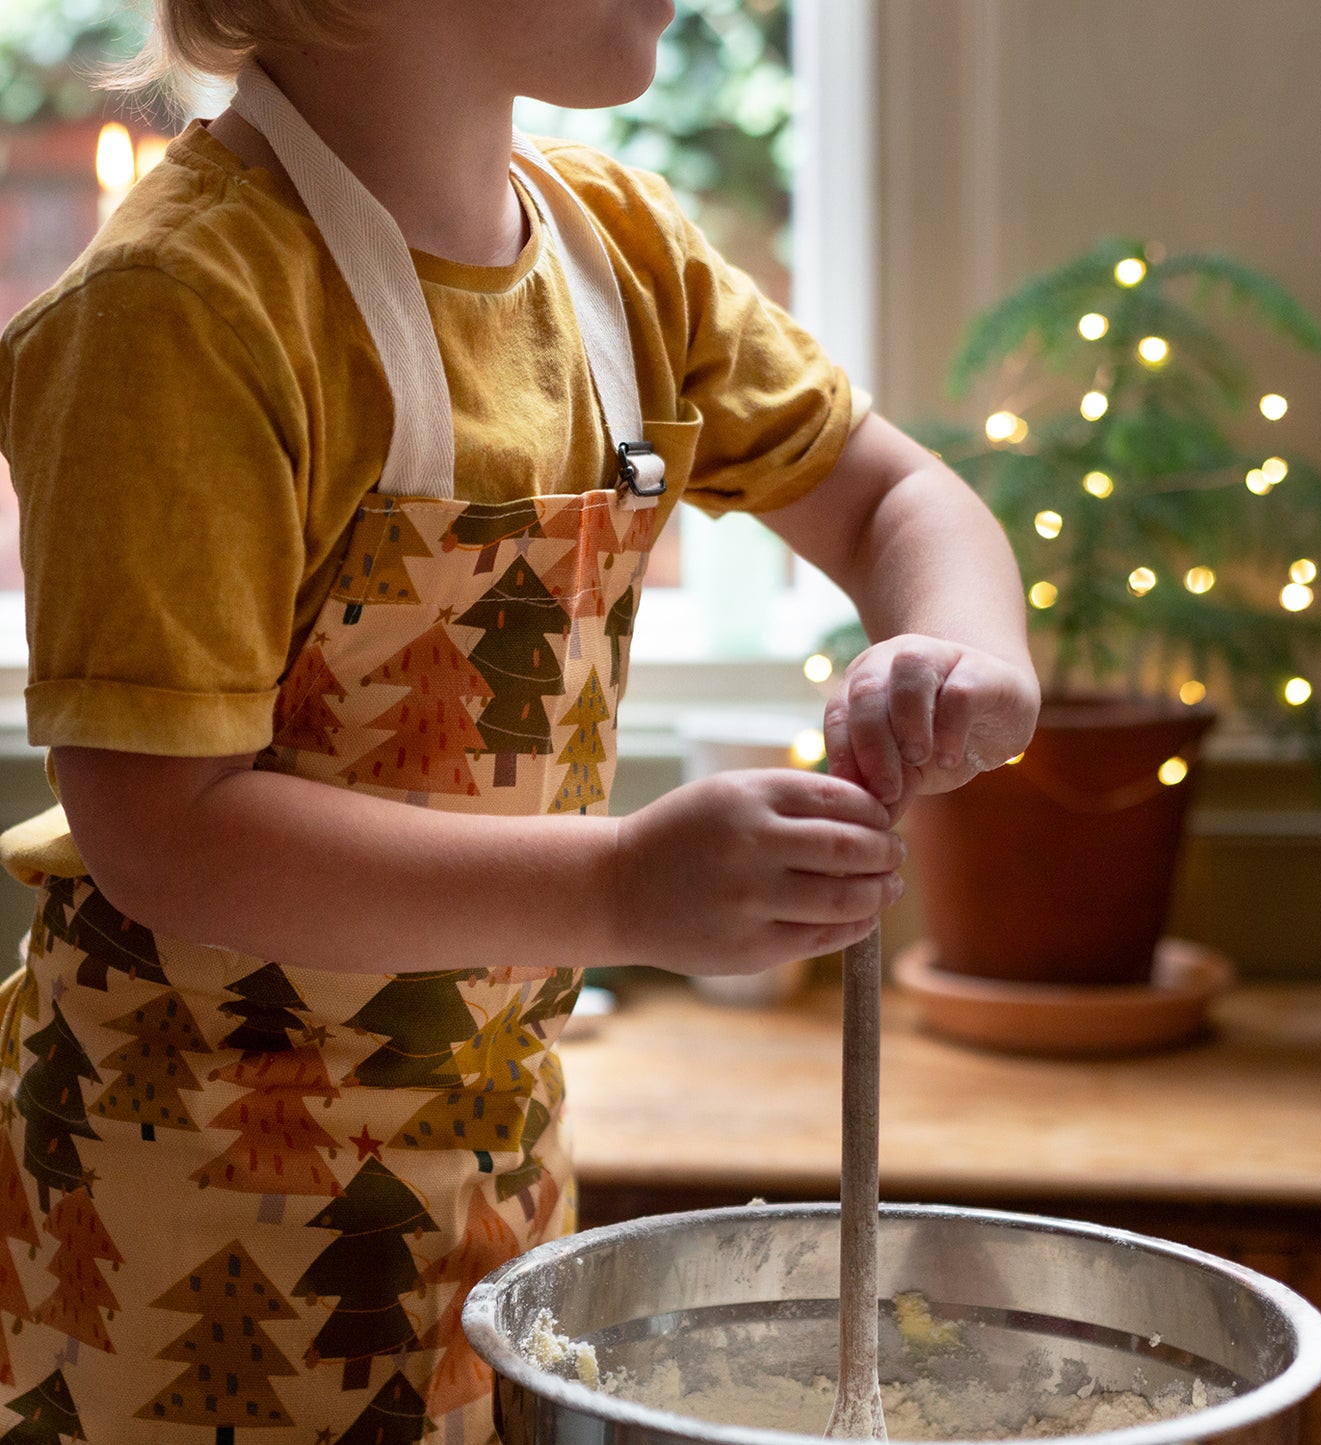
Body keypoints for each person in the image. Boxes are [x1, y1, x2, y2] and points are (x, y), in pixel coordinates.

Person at [0, 0, 1039, 1439]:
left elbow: (892, 496)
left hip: (493, 1168)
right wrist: (618, 884)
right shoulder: (181, 307)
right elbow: (162, 833)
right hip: (178, 1226)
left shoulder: (623, 263)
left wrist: (959, 649)